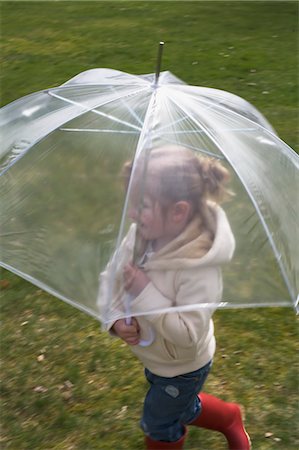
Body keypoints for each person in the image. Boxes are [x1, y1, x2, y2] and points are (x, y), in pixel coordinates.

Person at [99, 146, 251, 449]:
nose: (131, 214)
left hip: (183, 365)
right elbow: (112, 277)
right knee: (183, 409)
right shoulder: (140, 236)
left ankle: (225, 419)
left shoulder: (199, 268)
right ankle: (229, 417)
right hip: (156, 357)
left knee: (158, 422)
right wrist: (114, 318)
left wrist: (144, 293)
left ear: (178, 211)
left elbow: (187, 335)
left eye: (141, 206)